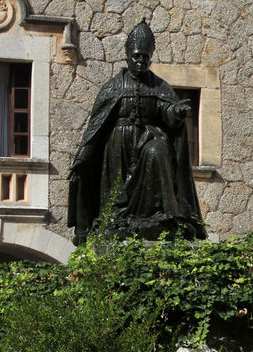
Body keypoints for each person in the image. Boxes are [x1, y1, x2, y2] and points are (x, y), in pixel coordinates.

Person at [67, 19, 205, 244]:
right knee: (116, 192)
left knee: (157, 151)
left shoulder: (159, 86)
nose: (141, 61)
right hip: (118, 146)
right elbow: (97, 127)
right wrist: (83, 157)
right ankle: (116, 218)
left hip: (148, 139)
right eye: (137, 56)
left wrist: (176, 112)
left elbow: (166, 111)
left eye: (145, 57)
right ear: (128, 56)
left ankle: (163, 215)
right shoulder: (113, 87)